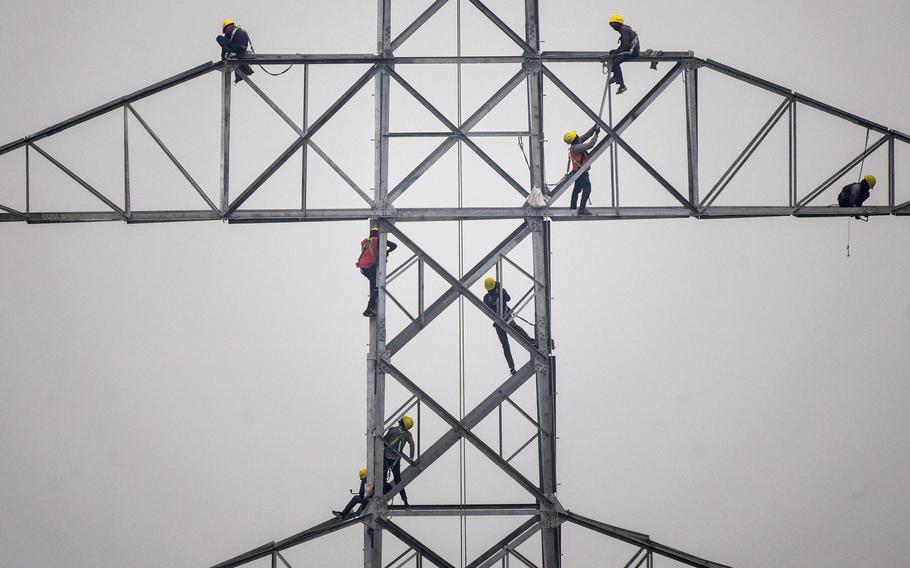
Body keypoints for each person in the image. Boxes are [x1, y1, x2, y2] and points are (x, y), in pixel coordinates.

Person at [482, 277, 536, 375]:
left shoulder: (500, 291)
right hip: (499, 323)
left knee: (515, 329)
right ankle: (512, 367)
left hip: (506, 317)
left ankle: (530, 341)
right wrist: (495, 296)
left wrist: (501, 290)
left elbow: (508, 298)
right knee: (506, 345)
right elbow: (487, 307)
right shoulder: (487, 298)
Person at [356, 226, 398, 317]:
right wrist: (387, 252)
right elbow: (394, 245)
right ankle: (369, 309)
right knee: (376, 287)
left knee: (373, 284)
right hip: (370, 266)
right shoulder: (378, 240)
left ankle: (370, 306)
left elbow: (368, 253)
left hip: (363, 267)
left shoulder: (365, 242)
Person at [564, 126, 600, 215]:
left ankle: (573, 207)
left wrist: (594, 128)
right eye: (576, 136)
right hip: (581, 173)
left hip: (578, 172)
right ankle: (582, 209)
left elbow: (587, 135)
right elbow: (590, 145)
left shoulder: (576, 144)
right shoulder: (577, 148)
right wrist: (596, 134)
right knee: (587, 188)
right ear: (574, 139)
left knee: (577, 190)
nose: (578, 136)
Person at [383, 416, 414, 507]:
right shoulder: (408, 434)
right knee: (398, 481)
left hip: (386, 458)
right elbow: (412, 445)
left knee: (382, 478)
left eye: (401, 420)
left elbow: (384, 441)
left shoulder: (393, 430)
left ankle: (384, 493)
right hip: (396, 460)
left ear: (402, 423)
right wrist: (411, 458)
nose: (399, 420)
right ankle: (405, 502)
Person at [607, 14, 640, 95]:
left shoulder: (624, 29)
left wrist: (617, 53)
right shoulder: (624, 29)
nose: (612, 27)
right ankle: (616, 77)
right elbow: (625, 45)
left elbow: (626, 45)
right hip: (630, 50)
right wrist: (616, 51)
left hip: (632, 52)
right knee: (614, 60)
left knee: (615, 63)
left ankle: (622, 86)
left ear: (618, 23)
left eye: (613, 24)